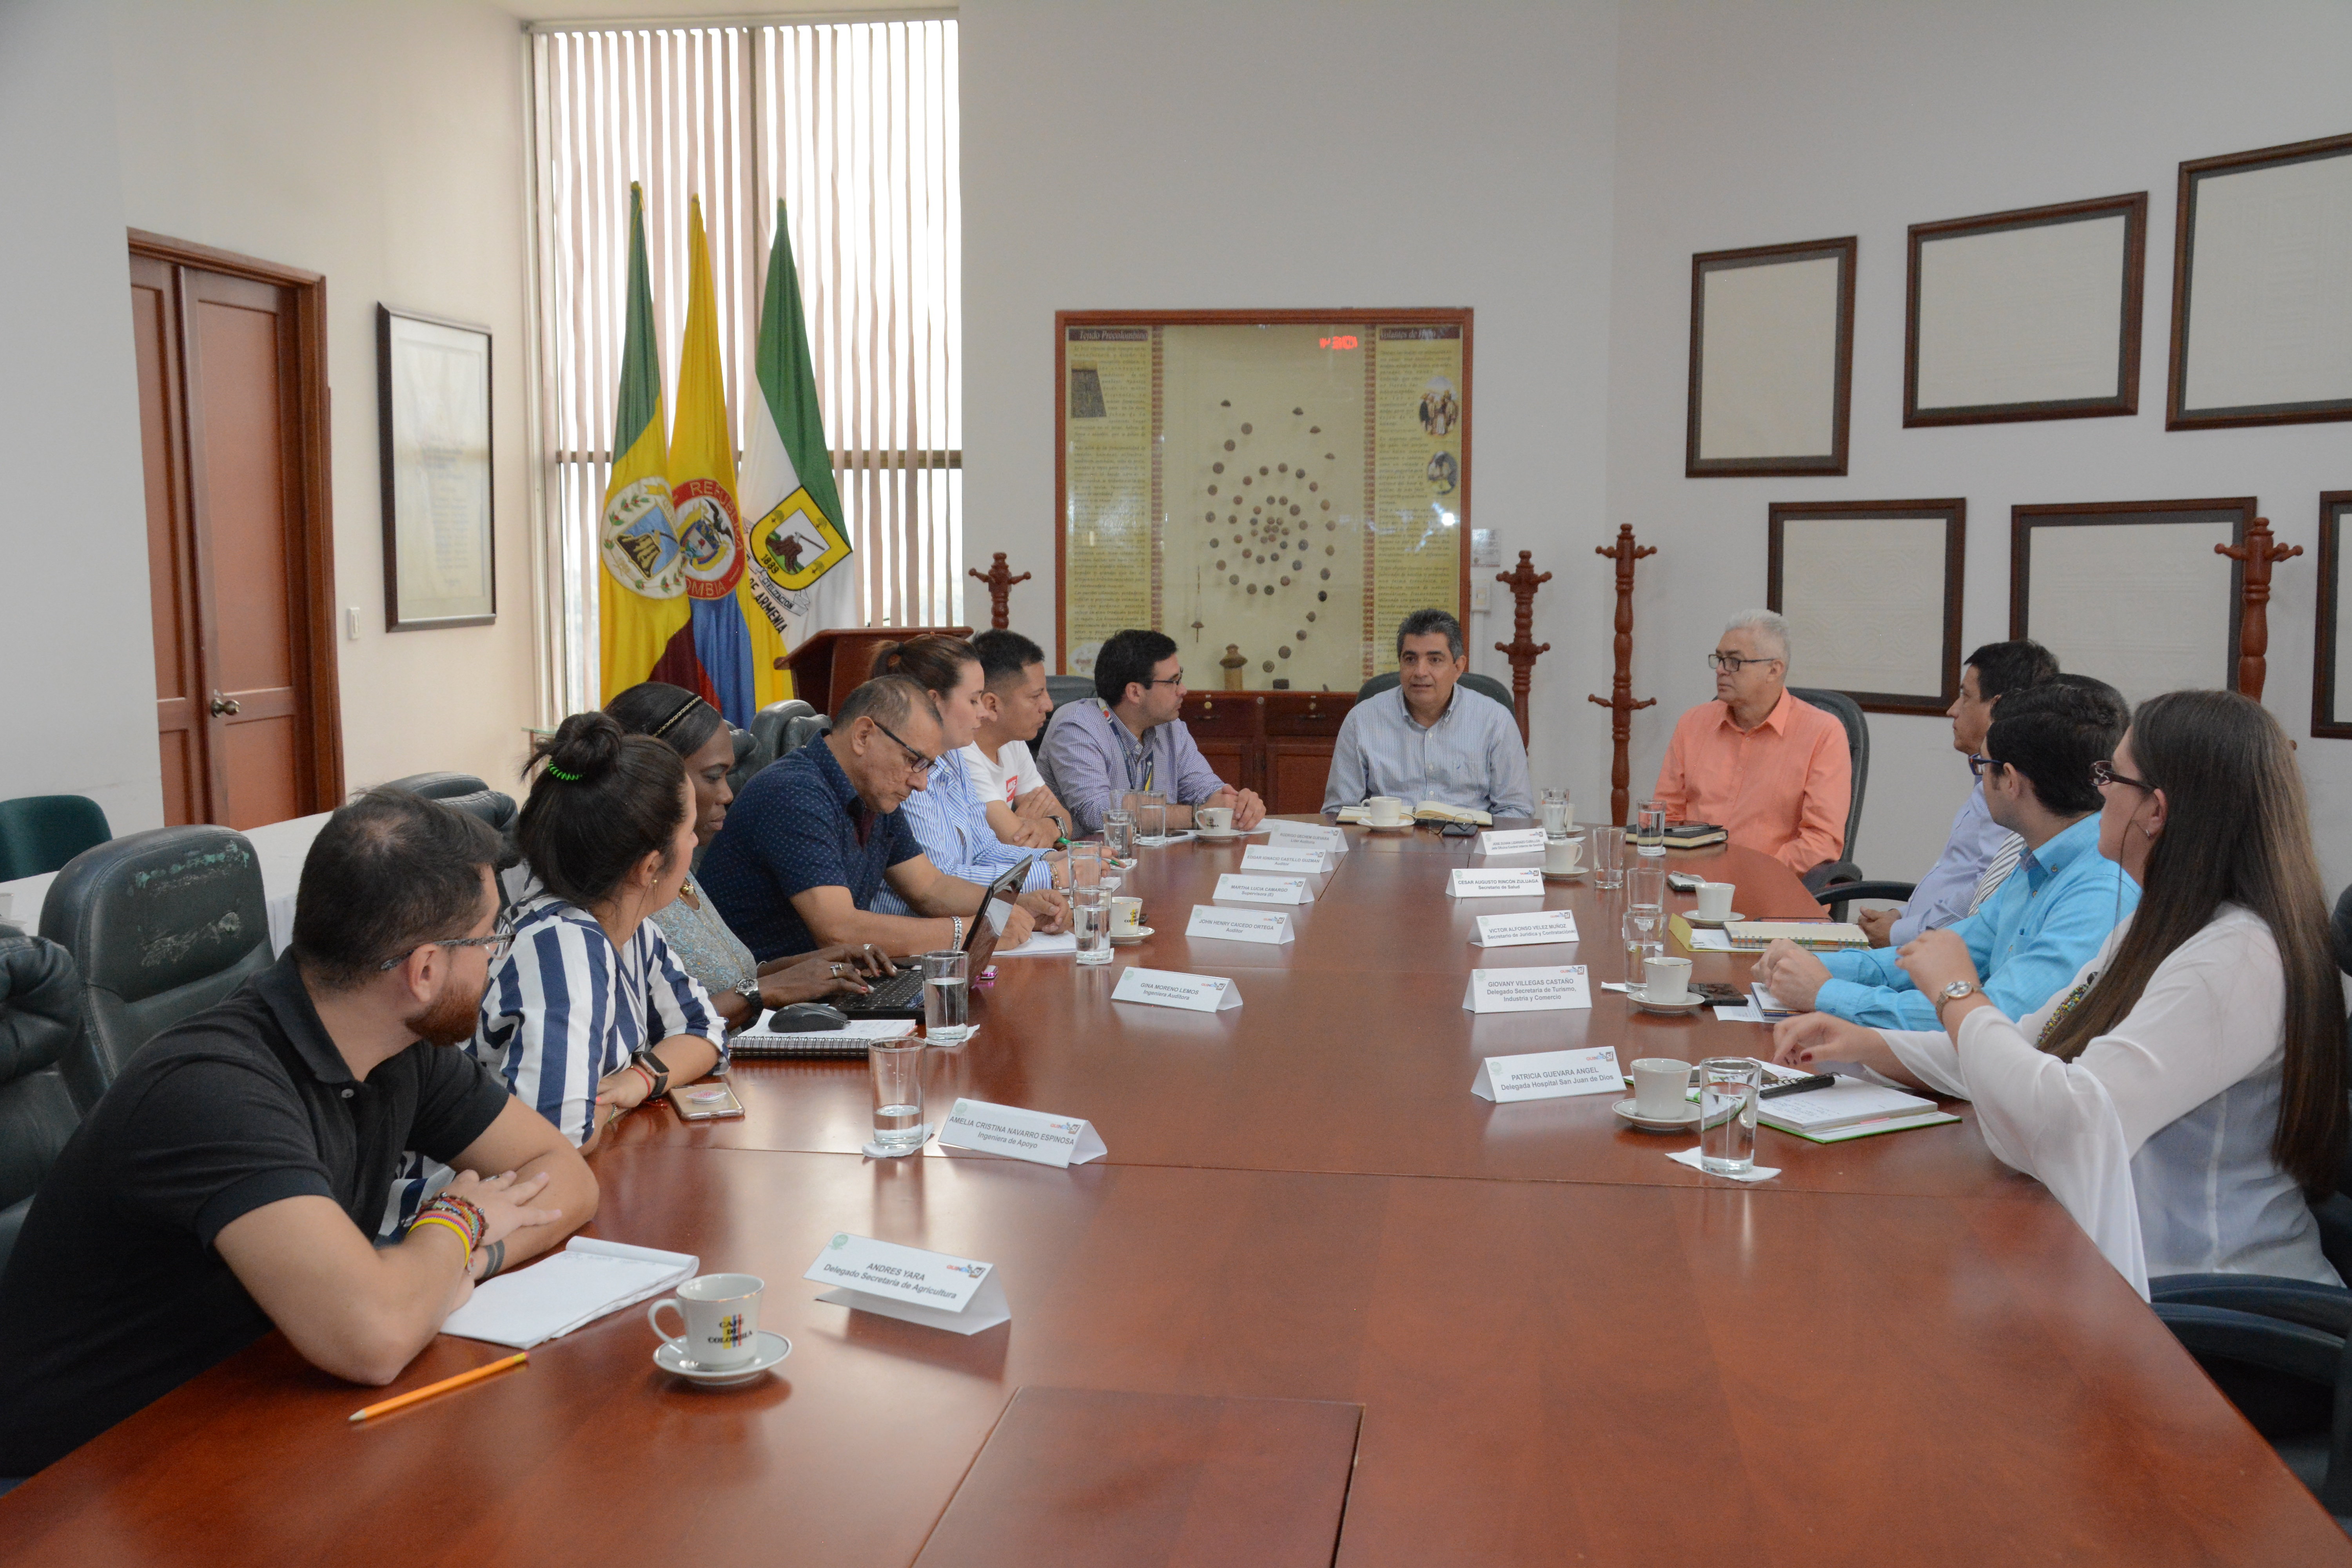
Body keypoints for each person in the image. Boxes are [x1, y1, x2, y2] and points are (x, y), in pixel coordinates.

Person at [0, 790, 597, 1479]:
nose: (496, 959)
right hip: (77, 1487)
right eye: (492, 939)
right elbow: (373, 1338)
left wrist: (461, 1268)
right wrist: (459, 1222)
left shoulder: (398, 1045)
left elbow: (564, 1176)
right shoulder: (214, 1092)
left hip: (242, 1418)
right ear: (426, 970)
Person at [1774, 690, 2348, 1297]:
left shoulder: (2236, 958)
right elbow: (2032, 1046)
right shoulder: (2162, 924)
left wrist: (1957, 994)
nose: (2097, 791)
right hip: (2130, 1271)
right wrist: (1870, 1044)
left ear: (2156, 810)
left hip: (2216, 1312)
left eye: (2112, 775)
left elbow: (2074, 1120)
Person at [1755, 682, 2137, 1032]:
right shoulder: (2038, 856)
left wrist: (1826, 992)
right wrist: (1813, 965)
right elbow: (1942, 954)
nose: (1979, 779)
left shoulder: (2101, 888)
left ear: (2010, 780)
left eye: (1981, 765)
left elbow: (1992, 1020)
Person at [469, 712, 732, 1152]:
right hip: (472, 1201)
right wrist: (615, 1107)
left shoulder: (629, 926)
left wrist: (639, 1079)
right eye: (688, 832)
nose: (694, 844)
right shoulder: (562, 949)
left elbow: (704, 1030)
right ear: (650, 867)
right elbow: (558, 1138)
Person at [700, 675, 1063, 960]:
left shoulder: (872, 792)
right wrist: (972, 932)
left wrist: (1009, 908)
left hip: (826, 984)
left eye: (928, 767)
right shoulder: (794, 793)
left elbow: (929, 889)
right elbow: (839, 930)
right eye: (913, 761)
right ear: (863, 735)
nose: (920, 783)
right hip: (765, 1008)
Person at [605, 681, 893, 1029]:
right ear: (656, 776)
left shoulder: (678, 857)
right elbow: (650, 1028)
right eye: (713, 776)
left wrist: (811, 968)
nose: (727, 794)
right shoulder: (617, 884)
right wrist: (765, 991)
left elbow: (726, 977)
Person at [1858, 639, 2058, 947]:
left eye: (1966, 696)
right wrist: (1902, 916)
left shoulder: (2010, 790)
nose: (1953, 710)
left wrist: (1899, 933)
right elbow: (1957, 878)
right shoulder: (1985, 776)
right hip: (1924, 936)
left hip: (1942, 951)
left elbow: (1985, 893)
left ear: (1997, 706)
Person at [865, 635, 1062, 919]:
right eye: (973, 700)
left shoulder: (953, 755)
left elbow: (985, 849)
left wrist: (1053, 859)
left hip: (952, 928)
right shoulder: (903, 772)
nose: (983, 713)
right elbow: (942, 882)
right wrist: (1052, 874)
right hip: (912, 938)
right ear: (934, 702)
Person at [1651, 610, 1850, 877]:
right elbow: (1667, 817)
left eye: (1734, 661)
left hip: (1774, 893)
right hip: (1693, 887)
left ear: (1774, 669)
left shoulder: (1823, 733)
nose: (1721, 670)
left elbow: (1821, 842)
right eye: (1719, 659)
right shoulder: (1693, 724)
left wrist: (1750, 876)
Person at [1036, 628, 1265, 836]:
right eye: (1173, 682)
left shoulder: (1171, 727)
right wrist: (1198, 815)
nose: (1183, 690)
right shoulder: (1077, 726)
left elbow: (1207, 792)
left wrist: (1238, 806)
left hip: (1157, 863)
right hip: (1092, 869)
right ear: (1135, 693)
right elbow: (1098, 813)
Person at [1322, 609, 1533, 820]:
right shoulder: (1362, 720)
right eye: (1411, 659)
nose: (1420, 672)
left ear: (1458, 668)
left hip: (1469, 844)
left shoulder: (1495, 720)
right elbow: (1338, 812)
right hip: (1387, 846)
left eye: (1434, 660)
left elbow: (1517, 811)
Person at [963, 628, 1067, 850]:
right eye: (1036, 696)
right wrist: (1033, 830)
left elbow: (1063, 817)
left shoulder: (1013, 741)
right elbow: (1015, 839)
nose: (1049, 706)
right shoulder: (963, 753)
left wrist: (1049, 827)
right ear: (992, 705)